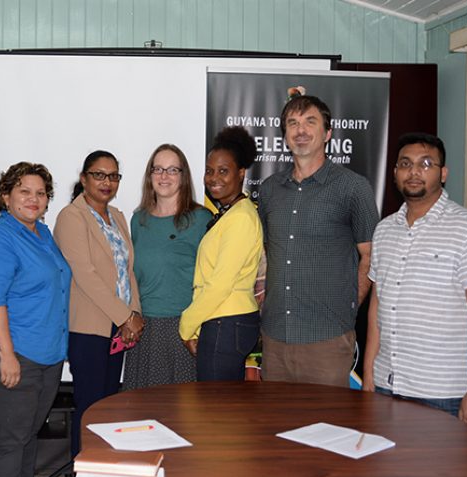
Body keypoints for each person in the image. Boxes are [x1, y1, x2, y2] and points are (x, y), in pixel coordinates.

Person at [362, 133, 467, 429]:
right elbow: (378, 305)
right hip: (388, 385)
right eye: (405, 164)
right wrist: (370, 371)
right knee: (385, 475)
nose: (414, 171)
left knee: (441, 476)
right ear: (395, 173)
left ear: (443, 172)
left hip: (443, 394)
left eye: (426, 163)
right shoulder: (385, 230)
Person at [0, 162, 71, 477]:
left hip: (46, 353)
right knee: (11, 441)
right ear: (6, 196)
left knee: (27, 439)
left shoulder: (42, 232)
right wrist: (7, 356)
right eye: (24, 191)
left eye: (40, 193)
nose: (33, 198)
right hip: (10, 352)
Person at [257, 95, 379, 387]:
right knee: (275, 429)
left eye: (310, 122)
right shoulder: (270, 189)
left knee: (325, 430)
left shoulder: (353, 187)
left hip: (326, 339)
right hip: (274, 339)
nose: (301, 130)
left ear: (327, 133)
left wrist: (350, 307)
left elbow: (371, 256)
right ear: (284, 135)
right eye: (293, 123)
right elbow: (264, 252)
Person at [54, 150, 143, 456]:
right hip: (88, 329)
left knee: (108, 408)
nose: (107, 182)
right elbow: (85, 275)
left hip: (117, 330)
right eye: (99, 174)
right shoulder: (71, 216)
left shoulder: (117, 217)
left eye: (114, 175)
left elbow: (128, 270)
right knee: (90, 408)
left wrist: (135, 316)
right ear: (84, 178)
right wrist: (125, 317)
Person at [124, 144, 211, 389]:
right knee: (143, 411)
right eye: (158, 169)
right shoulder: (138, 220)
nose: (164, 176)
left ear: (183, 177)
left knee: (181, 411)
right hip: (144, 328)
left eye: (173, 170)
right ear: (149, 176)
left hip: (183, 328)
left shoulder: (200, 219)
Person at [179, 127, 263, 381]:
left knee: (214, 412)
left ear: (241, 173)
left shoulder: (241, 219)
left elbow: (220, 284)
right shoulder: (232, 213)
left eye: (223, 171)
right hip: (225, 321)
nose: (213, 177)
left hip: (225, 322)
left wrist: (186, 326)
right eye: (209, 170)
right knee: (222, 410)